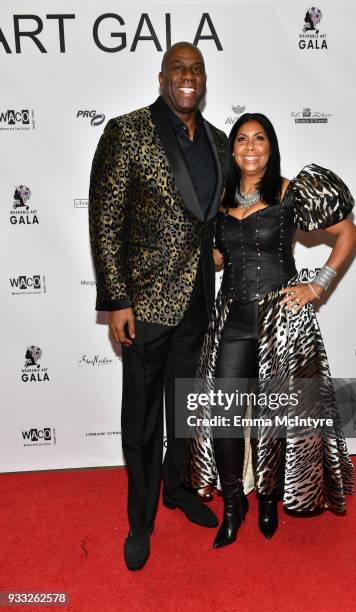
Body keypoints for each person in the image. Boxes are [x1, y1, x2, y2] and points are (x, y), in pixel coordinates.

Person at [185, 113, 356, 548]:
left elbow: (348, 233)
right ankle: (231, 507)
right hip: (232, 316)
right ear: (232, 149)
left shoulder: (289, 193)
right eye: (241, 138)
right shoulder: (219, 198)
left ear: (270, 145)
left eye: (259, 138)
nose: (249, 146)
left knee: (275, 416)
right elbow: (222, 259)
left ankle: (267, 500)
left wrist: (317, 285)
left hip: (281, 321)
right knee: (223, 414)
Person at [88, 42, 227, 570]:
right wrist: (116, 299)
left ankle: (179, 488)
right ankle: (140, 520)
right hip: (143, 305)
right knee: (143, 421)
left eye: (196, 69)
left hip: (196, 301)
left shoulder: (217, 141)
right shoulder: (126, 132)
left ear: (204, 79)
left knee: (186, 410)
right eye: (178, 68)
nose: (187, 77)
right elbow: (105, 220)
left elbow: (209, 216)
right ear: (161, 76)